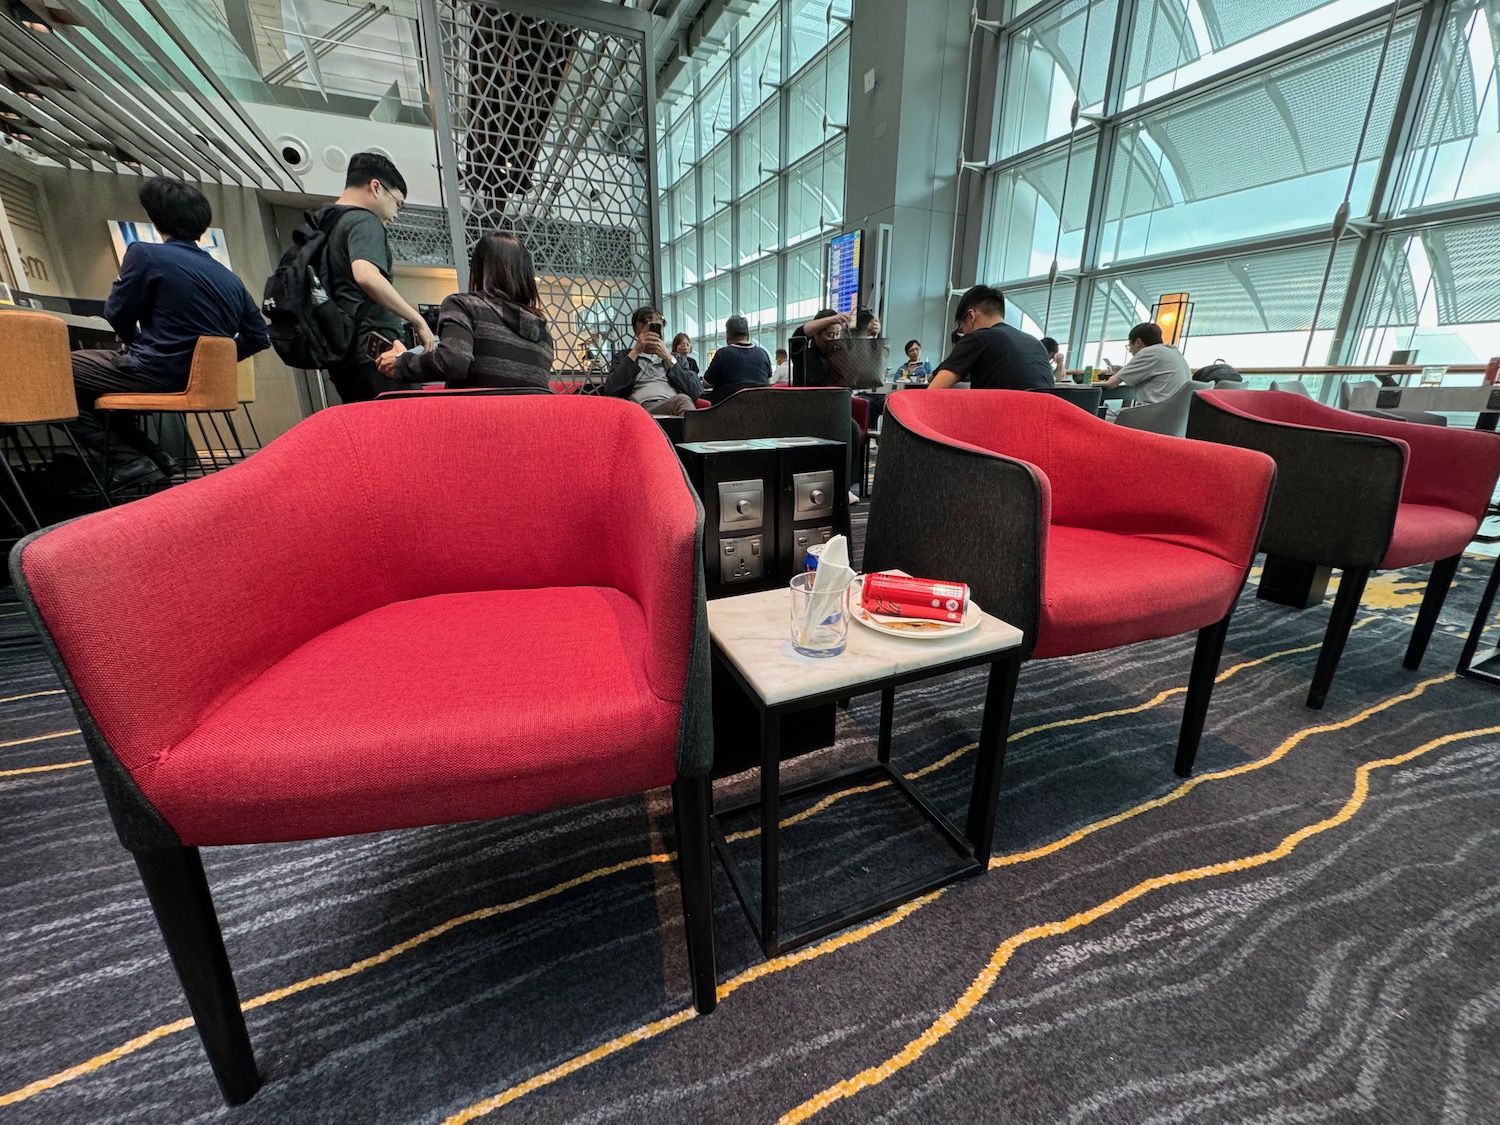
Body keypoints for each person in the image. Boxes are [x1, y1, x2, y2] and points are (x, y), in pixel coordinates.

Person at [69, 177, 269, 487]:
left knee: (52, 375)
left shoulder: (145, 254)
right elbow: (258, 336)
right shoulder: (228, 277)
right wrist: (206, 368)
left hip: (156, 369)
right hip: (189, 378)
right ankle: (155, 457)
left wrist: (132, 342)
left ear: (154, 216)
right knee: (99, 389)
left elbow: (116, 313)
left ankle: (132, 460)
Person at [315, 152, 435, 404]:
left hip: (344, 353)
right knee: (413, 428)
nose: (396, 213)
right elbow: (366, 275)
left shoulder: (324, 224)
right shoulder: (363, 220)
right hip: (375, 355)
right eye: (398, 203)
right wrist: (418, 320)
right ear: (376, 187)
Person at [376, 232, 553, 390]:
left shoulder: (464, 306)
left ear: (478, 269)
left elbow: (453, 362)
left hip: (474, 422)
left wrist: (401, 362)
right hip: (531, 425)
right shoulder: (543, 331)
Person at [928, 286, 1055, 391]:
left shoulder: (978, 337)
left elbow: (934, 389)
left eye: (962, 329)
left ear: (971, 316)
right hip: (1043, 419)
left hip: (1000, 419)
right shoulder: (1035, 343)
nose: (964, 334)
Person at [602, 307, 703, 415]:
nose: (652, 332)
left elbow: (694, 392)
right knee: (682, 402)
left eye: (658, 327)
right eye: (647, 327)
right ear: (636, 332)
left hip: (672, 404)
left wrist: (668, 358)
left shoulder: (676, 359)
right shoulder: (624, 357)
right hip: (638, 410)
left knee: (682, 401)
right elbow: (610, 391)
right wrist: (635, 352)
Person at [1100, 322, 1191, 405]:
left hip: (1152, 414)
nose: (1130, 351)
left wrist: (1118, 375)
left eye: (1130, 345)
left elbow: (1110, 384)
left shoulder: (1149, 352)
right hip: (1175, 417)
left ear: (1138, 342)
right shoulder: (1174, 352)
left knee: (1098, 415)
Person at [701, 315, 772, 403]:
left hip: (727, 411)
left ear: (727, 334)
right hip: (760, 409)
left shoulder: (723, 354)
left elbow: (707, 384)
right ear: (748, 334)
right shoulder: (763, 353)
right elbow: (768, 382)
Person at [791, 308, 853, 386]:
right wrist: (833, 319)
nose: (835, 339)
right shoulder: (802, 356)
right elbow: (799, 333)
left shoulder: (839, 357)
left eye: (837, 334)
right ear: (816, 334)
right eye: (830, 335)